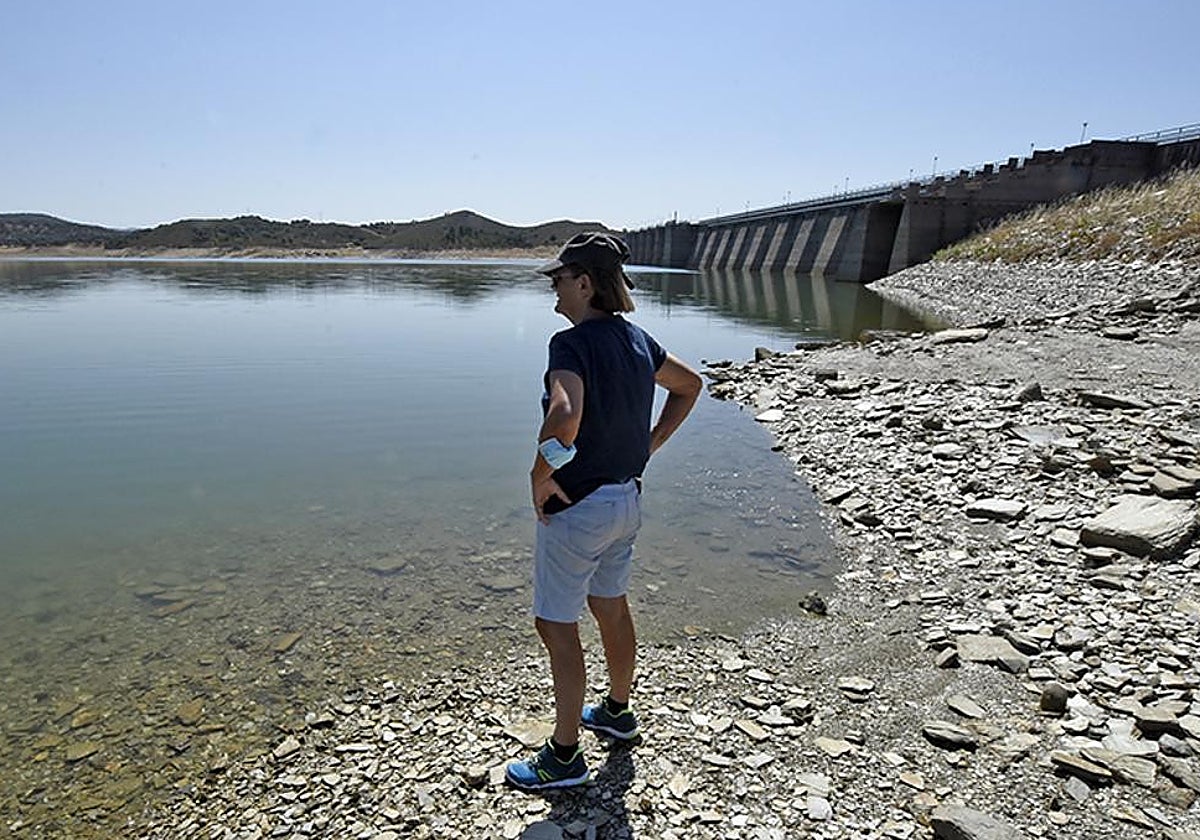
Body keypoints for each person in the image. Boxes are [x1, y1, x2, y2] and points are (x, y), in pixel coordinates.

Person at [504, 232, 702, 791]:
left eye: (559, 280)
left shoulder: (571, 344)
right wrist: (649, 445)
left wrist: (539, 477)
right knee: (610, 604)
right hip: (626, 501)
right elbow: (690, 386)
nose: (554, 293)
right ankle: (616, 712)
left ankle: (563, 756)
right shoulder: (639, 340)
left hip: (581, 507)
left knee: (556, 623)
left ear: (586, 282)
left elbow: (565, 416)